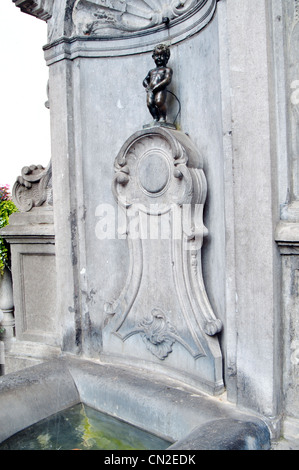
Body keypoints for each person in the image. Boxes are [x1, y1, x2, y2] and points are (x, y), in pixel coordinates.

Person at [143, 44, 173, 123]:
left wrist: (157, 87)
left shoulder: (167, 69)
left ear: (167, 57)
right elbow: (145, 80)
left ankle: (163, 117)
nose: (159, 58)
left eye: (162, 55)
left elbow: (167, 80)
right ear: (153, 57)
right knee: (150, 104)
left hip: (161, 89)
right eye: (157, 55)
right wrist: (147, 86)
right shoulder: (151, 71)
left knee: (159, 102)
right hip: (151, 90)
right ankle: (155, 118)